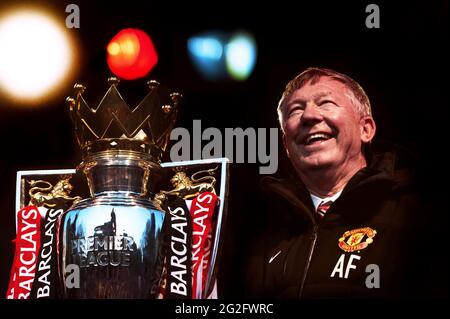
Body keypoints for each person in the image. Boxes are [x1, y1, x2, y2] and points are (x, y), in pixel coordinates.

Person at [244, 67, 446, 298]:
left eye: (326, 103)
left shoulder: (418, 211)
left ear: (366, 129)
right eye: (295, 110)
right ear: (286, 145)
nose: (309, 116)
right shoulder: (258, 229)